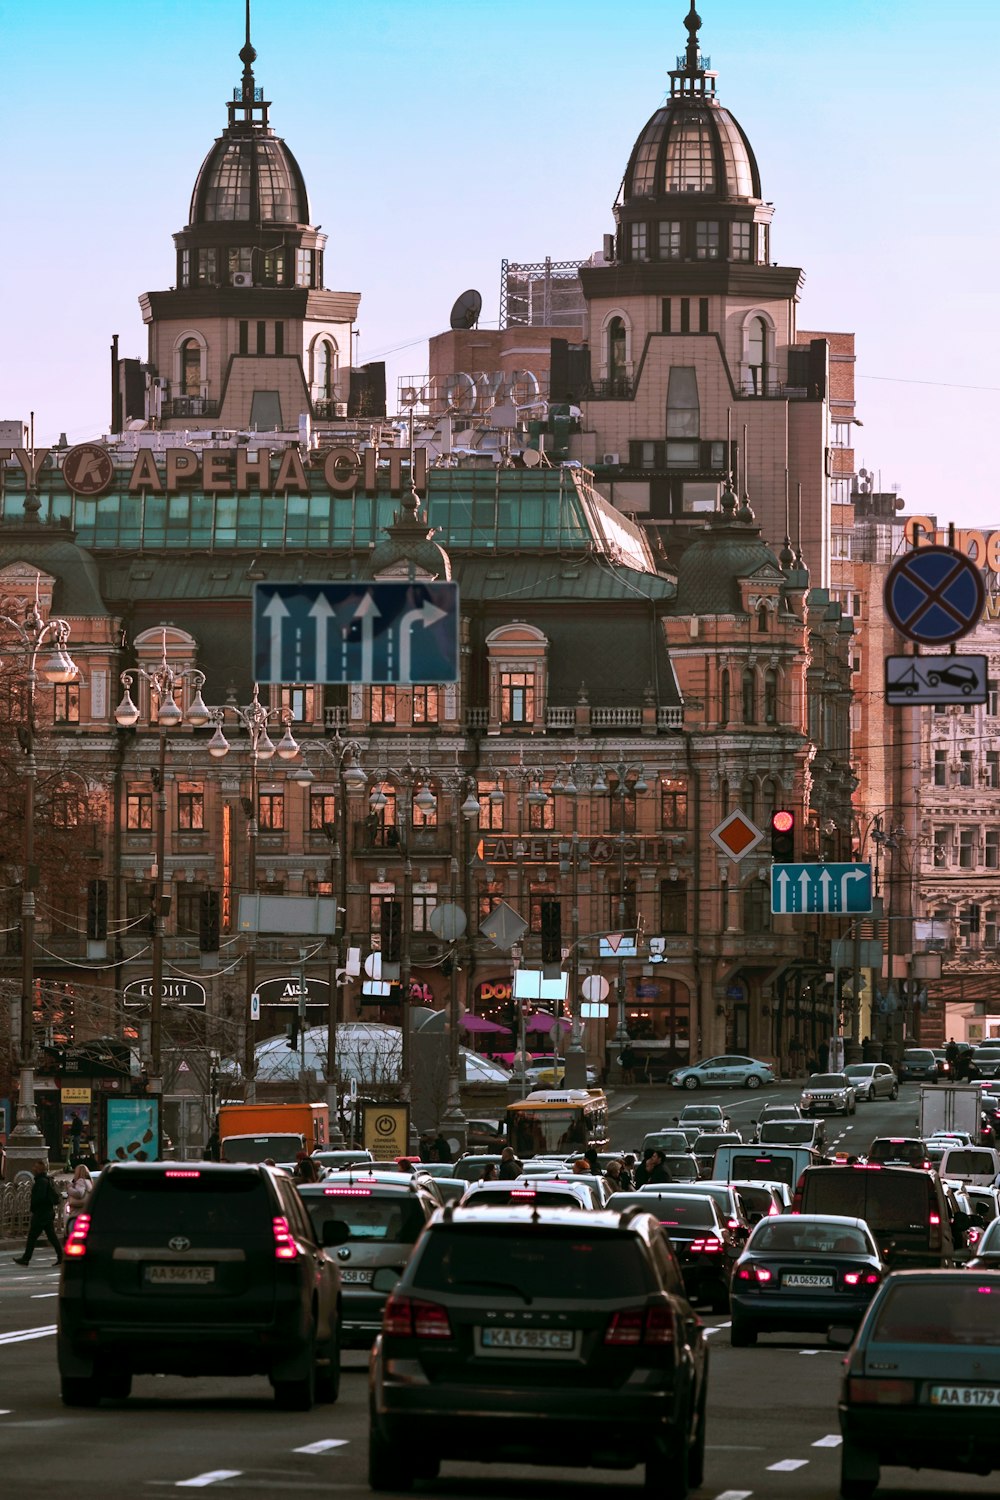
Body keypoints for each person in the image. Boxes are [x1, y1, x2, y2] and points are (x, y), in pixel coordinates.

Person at [13, 1161, 64, 1267]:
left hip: (42, 1214)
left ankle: (26, 1258)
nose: (33, 1169)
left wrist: (34, 1207)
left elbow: (39, 1198)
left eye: (35, 1168)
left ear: (39, 1170)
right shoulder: (46, 1180)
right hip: (46, 1213)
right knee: (51, 1236)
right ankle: (61, 1257)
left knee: (32, 1236)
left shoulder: (41, 1182)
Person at [64, 1163, 93, 1234]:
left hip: (77, 1211)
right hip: (85, 1209)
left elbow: (79, 1193)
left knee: (75, 1231)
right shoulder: (89, 1182)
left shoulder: (81, 1181)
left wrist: (69, 1188)